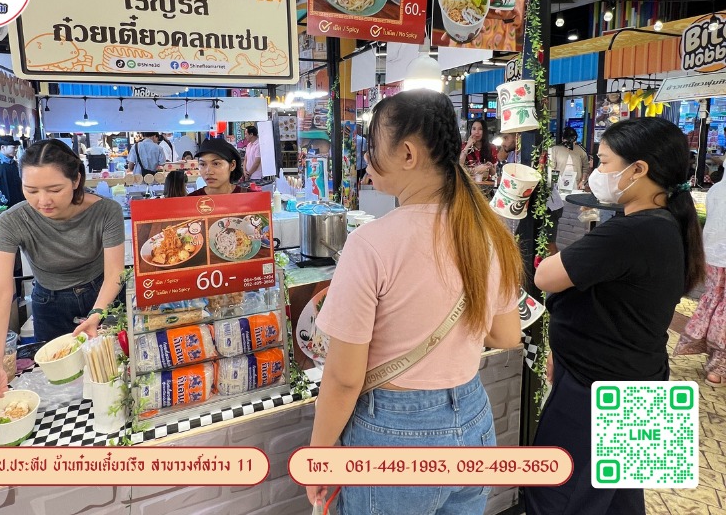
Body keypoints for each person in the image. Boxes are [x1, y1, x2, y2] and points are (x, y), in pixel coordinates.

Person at [307, 90, 522, 514]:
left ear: (407, 154)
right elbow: (506, 334)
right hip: (472, 420)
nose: (366, 158)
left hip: (393, 432)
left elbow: (344, 379)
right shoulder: (489, 231)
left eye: (372, 145)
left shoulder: (371, 243)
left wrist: (318, 457)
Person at [525, 118, 706, 515]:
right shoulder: (670, 222)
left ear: (638, 169)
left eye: (604, 162)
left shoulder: (630, 232)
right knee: (620, 500)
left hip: (598, 390)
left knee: (560, 498)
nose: (596, 172)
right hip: (642, 376)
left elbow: (545, 276)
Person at [0, 140, 125, 415]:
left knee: (113, 378)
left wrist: (97, 313)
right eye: (31, 190)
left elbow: (115, 271)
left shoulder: (107, 211)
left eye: (55, 190)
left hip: (104, 296)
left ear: (76, 180)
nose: (43, 201)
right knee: (60, 390)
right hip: (51, 304)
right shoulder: (11, 222)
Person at [674, 178, 726, 386]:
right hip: (717, 254)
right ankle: (719, 366)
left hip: (713, 256)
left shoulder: (716, 190)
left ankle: (715, 361)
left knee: (714, 301)